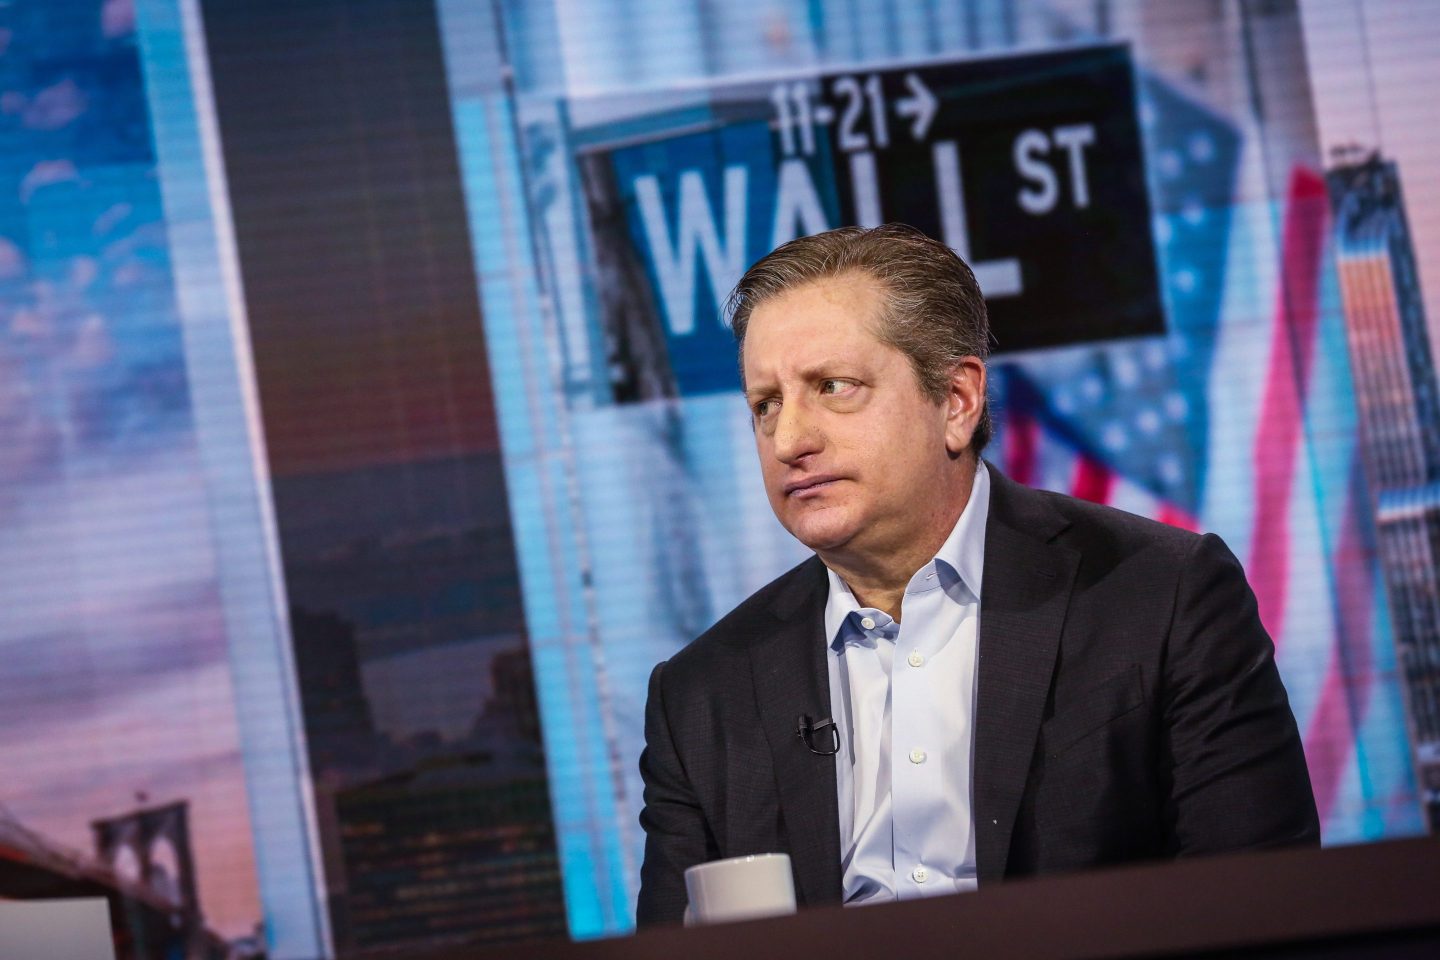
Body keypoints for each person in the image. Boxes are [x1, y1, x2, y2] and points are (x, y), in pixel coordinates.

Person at [634, 224, 1319, 926]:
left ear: (957, 401)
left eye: (833, 388)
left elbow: (1262, 906)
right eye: (765, 405)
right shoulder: (699, 697)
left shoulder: (1163, 596)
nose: (788, 441)